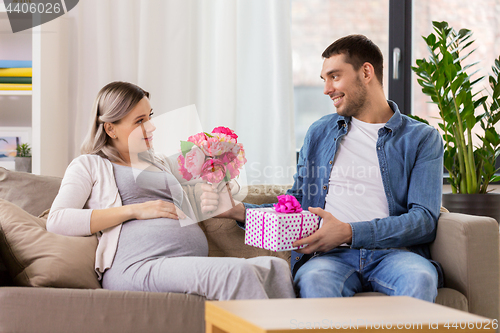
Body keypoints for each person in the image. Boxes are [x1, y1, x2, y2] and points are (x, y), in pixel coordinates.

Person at [204, 35, 444, 301]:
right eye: (325, 80)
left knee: (420, 278)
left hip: (396, 254)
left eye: (334, 76)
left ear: (366, 72)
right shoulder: (320, 131)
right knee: (315, 281)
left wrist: (350, 232)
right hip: (330, 257)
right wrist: (240, 211)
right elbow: (295, 204)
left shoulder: (422, 138)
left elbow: (423, 220)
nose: (327, 89)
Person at [47, 81, 295, 300]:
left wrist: (218, 176)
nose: (152, 127)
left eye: (150, 116)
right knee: (237, 273)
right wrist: (137, 210)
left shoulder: (159, 162)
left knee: (275, 268)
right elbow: (57, 220)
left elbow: (213, 170)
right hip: (136, 266)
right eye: (139, 121)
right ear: (111, 129)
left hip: (180, 263)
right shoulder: (89, 165)